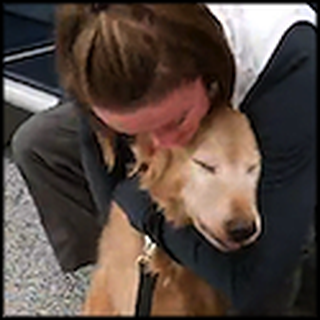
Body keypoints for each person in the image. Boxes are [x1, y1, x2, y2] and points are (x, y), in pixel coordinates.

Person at [11, 4, 316, 316]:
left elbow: (255, 288)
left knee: (270, 272)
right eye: (137, 131)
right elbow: (96, 144)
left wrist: (139, 206)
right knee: (39, 144)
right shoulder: (91, 42)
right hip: (166, 81)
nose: (163, 144)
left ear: (208, 78)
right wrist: (121, 247)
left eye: (176, 122)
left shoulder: (292, 66)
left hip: (282, 107)